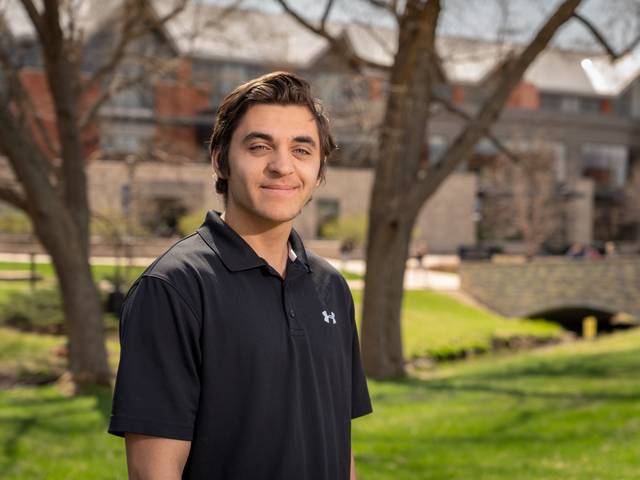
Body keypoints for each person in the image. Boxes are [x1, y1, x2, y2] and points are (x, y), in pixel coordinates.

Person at [108, 72, 372, 480]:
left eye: (302, 149)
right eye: (260, 146)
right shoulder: (173, 289)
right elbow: (152, 473)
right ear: (220, 159)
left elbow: (339, 443)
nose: (282, 166)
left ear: (319, 170)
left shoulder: (331, 288)